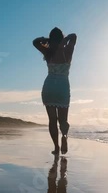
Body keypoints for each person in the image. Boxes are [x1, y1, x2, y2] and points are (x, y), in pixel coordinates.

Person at [33, 27, 77, 155]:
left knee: (52, 120)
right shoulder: (67, 51)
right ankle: (64, 137)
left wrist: (48, 40)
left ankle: (56, 148)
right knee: (63, 120)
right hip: (62, 87)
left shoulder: (48, 52)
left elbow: (35, 42)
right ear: (61, 38)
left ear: (52, 39)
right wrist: (64, 40)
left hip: (49, 87)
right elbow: (74, 36)